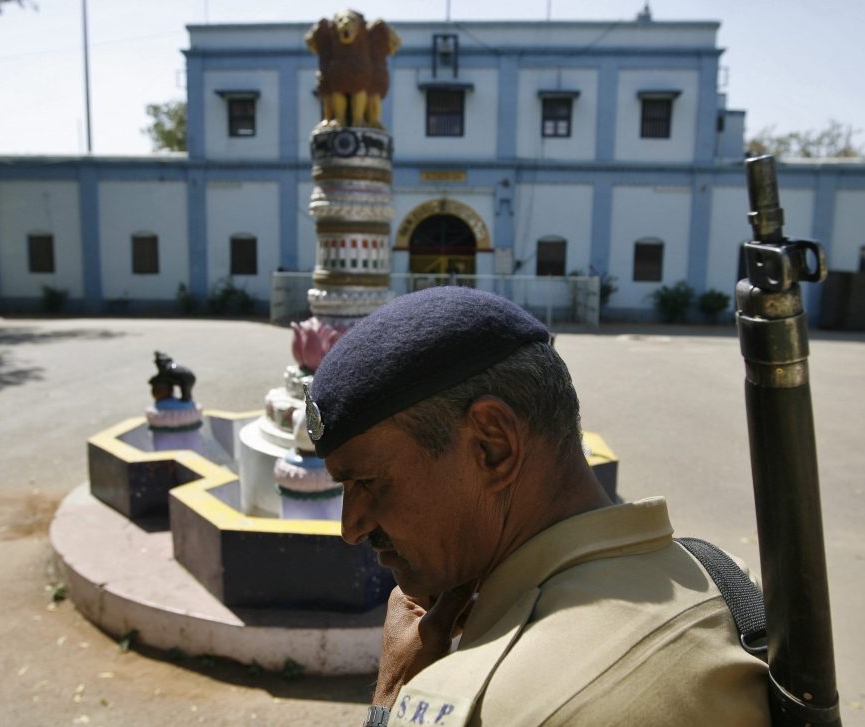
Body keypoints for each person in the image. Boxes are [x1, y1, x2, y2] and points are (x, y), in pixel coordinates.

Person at [307, 287, 769, 727]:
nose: (352, 527)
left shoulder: (484, 706)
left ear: (494, 446)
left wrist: (392, 699)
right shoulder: (726, 582)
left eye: (367, 482)